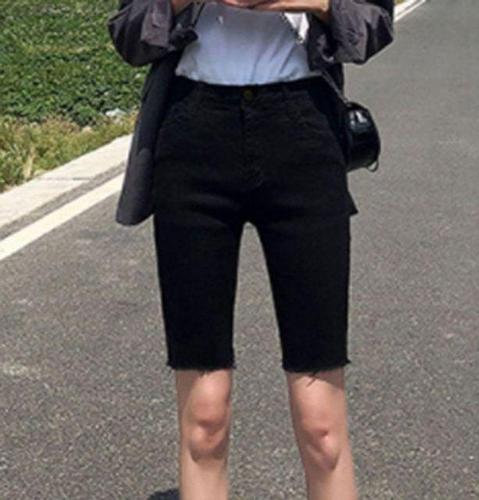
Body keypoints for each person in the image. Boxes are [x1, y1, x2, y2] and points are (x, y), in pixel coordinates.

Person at [108, 0, 394, 498]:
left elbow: (372, 24)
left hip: (304, 134)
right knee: (204, 419)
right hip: (193, 139)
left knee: (322, 425)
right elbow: (129, 35)